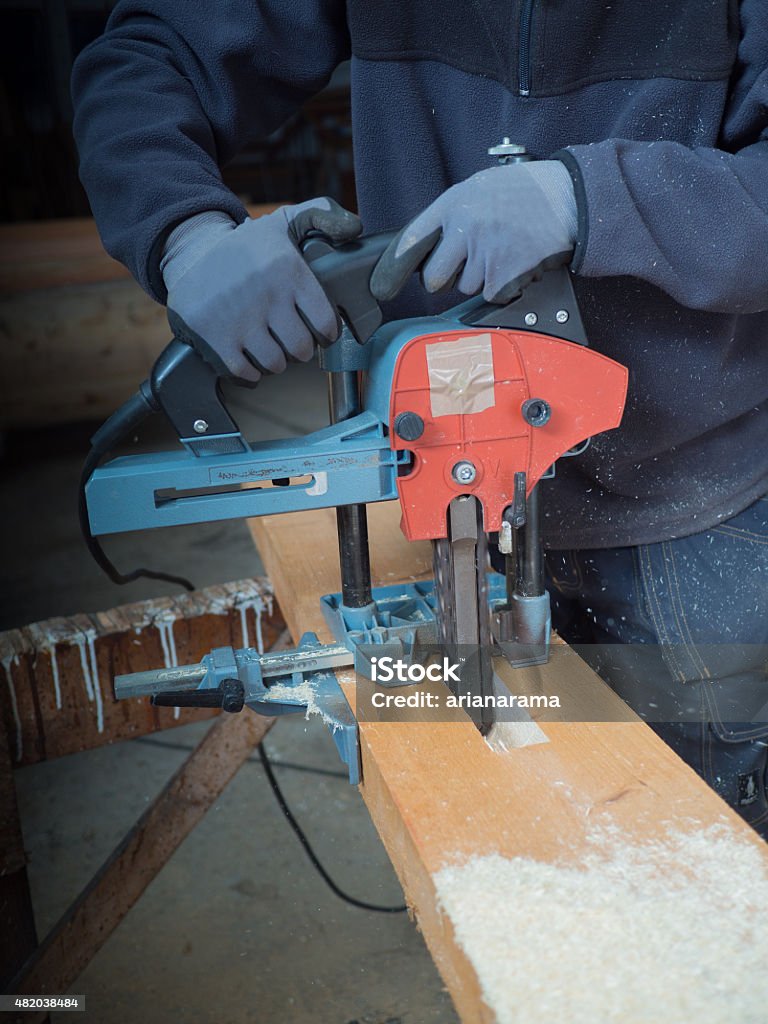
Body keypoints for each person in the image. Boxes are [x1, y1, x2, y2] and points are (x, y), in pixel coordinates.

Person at [71, 1, 768, 836]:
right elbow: (149, 56)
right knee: (492, 839)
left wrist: (585, 199)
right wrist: (184, 234)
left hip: (693, 508)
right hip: (449, 492)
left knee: (697, 862)